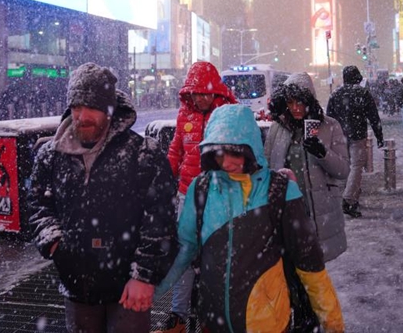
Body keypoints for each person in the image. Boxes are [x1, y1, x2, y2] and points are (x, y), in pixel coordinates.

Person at [155, 104, 345, 333]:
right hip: (212, 322)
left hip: (266, 324)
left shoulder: (280, 191)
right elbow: (184, 248)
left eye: (235, 153)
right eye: (219, 154)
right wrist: (148, 292)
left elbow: (309, 261)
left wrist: (332, 321)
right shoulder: (201, 189)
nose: (227, 163)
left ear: (251, 148)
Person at [29, 63, 178, 333]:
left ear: (109, 110)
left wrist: (144, 276)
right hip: (77, 285)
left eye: (92, 107)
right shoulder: (51, 155)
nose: (82, 116)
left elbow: (161, 221)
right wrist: (55, 244)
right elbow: (39, 205)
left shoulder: (143, 154)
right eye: (76, 107)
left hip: (128, 289)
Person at [264, 72, 350, 331]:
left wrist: (322, 153)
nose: (296, 108)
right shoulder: (278, 129)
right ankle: (302, 319)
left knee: (312, 275)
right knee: (290, 273)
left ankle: (308, 321)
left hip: (316, 215)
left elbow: (343, 169)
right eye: (290, 102)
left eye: (300, 102)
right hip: (287, 215)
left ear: (310, 101)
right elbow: (267, 167)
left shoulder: (330, 126)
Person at [156, 61, 237, 333]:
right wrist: (163, 180)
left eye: (204, 93)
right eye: (195, 93)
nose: (200, 99)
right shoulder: (185, 115)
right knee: (185, 253)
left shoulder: (227, 114)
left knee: (217, 255)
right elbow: (175, 150)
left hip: (218, 195)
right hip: (187, 195)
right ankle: (178, 315)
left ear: (215, 91)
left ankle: (213, 315)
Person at [326, 65, 384, 218]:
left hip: (339, 136)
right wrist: (379, 136)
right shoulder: (363, 93)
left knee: (344, 166)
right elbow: (373, 117)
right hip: (357, 135)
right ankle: (349, 199)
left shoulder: (335, 94)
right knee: (357, 166)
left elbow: (329, 118)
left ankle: (349, 195)